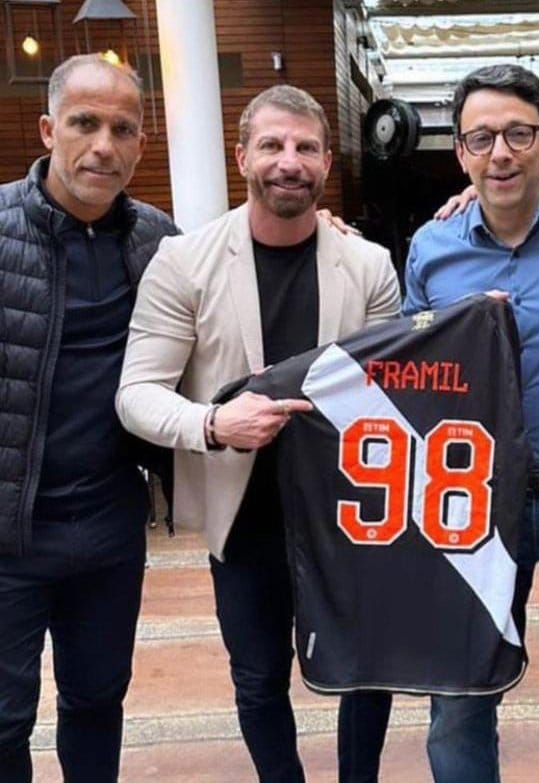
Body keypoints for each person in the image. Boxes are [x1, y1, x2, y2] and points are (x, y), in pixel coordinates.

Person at [339, 64, 539, 783]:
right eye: (481, 138)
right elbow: (412, 374)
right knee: (458, 697)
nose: (500, 152)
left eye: (517, 134)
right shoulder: (434, 247)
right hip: (469, 503)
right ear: (461, 153)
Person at [115, 85, 400, 783]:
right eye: (272, 145)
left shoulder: (368, 266)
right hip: (244, 516)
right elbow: (136, 394)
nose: (289, 161)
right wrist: (213, 423)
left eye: (306, 147)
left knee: (367, 671)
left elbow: (393, 394)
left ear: (326, 162)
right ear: (241, 156)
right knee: (258, 677)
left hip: (351, 512)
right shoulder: (184, 262)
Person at [0, 55, 178, 782]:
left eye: (122, 129)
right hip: (9, 532)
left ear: (140, 144)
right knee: (3, 719)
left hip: (108, 525)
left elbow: (243, 268)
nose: (103, 145)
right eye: (84, 123)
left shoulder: (159, 242)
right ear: (49, 130)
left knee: (98, 701)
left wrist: (323, 224)